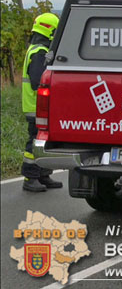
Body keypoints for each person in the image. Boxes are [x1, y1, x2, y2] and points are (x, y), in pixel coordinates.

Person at [21, 13, 63, 192]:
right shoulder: (39, 52)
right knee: (34, 143)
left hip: (38, 107)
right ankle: (30, 177)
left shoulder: (36, 49)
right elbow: (38, 80)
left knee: (43, 142)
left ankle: (43, 175)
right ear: (51, 30)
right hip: (35, 107)